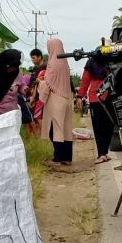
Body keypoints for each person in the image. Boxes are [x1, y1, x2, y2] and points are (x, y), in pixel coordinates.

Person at [39, 38, 74, 166]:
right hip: (66, 98)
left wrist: (40, 84)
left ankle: (57, 159)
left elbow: (48, 84)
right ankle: (67, 158)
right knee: (66, 129)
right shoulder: (65, 63)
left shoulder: (52, 64)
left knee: (56, 129)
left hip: (55, 99)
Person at [76, 57, 113, 164]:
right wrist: (80, 96)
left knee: (105, 126)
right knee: (103, 127)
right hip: (100, 98)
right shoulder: (94, 61)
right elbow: (85, 80)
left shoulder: (93, 61)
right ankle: (102, 153)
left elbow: (85, 80)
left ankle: (103, 153)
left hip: (103, 97)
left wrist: (80, 96)